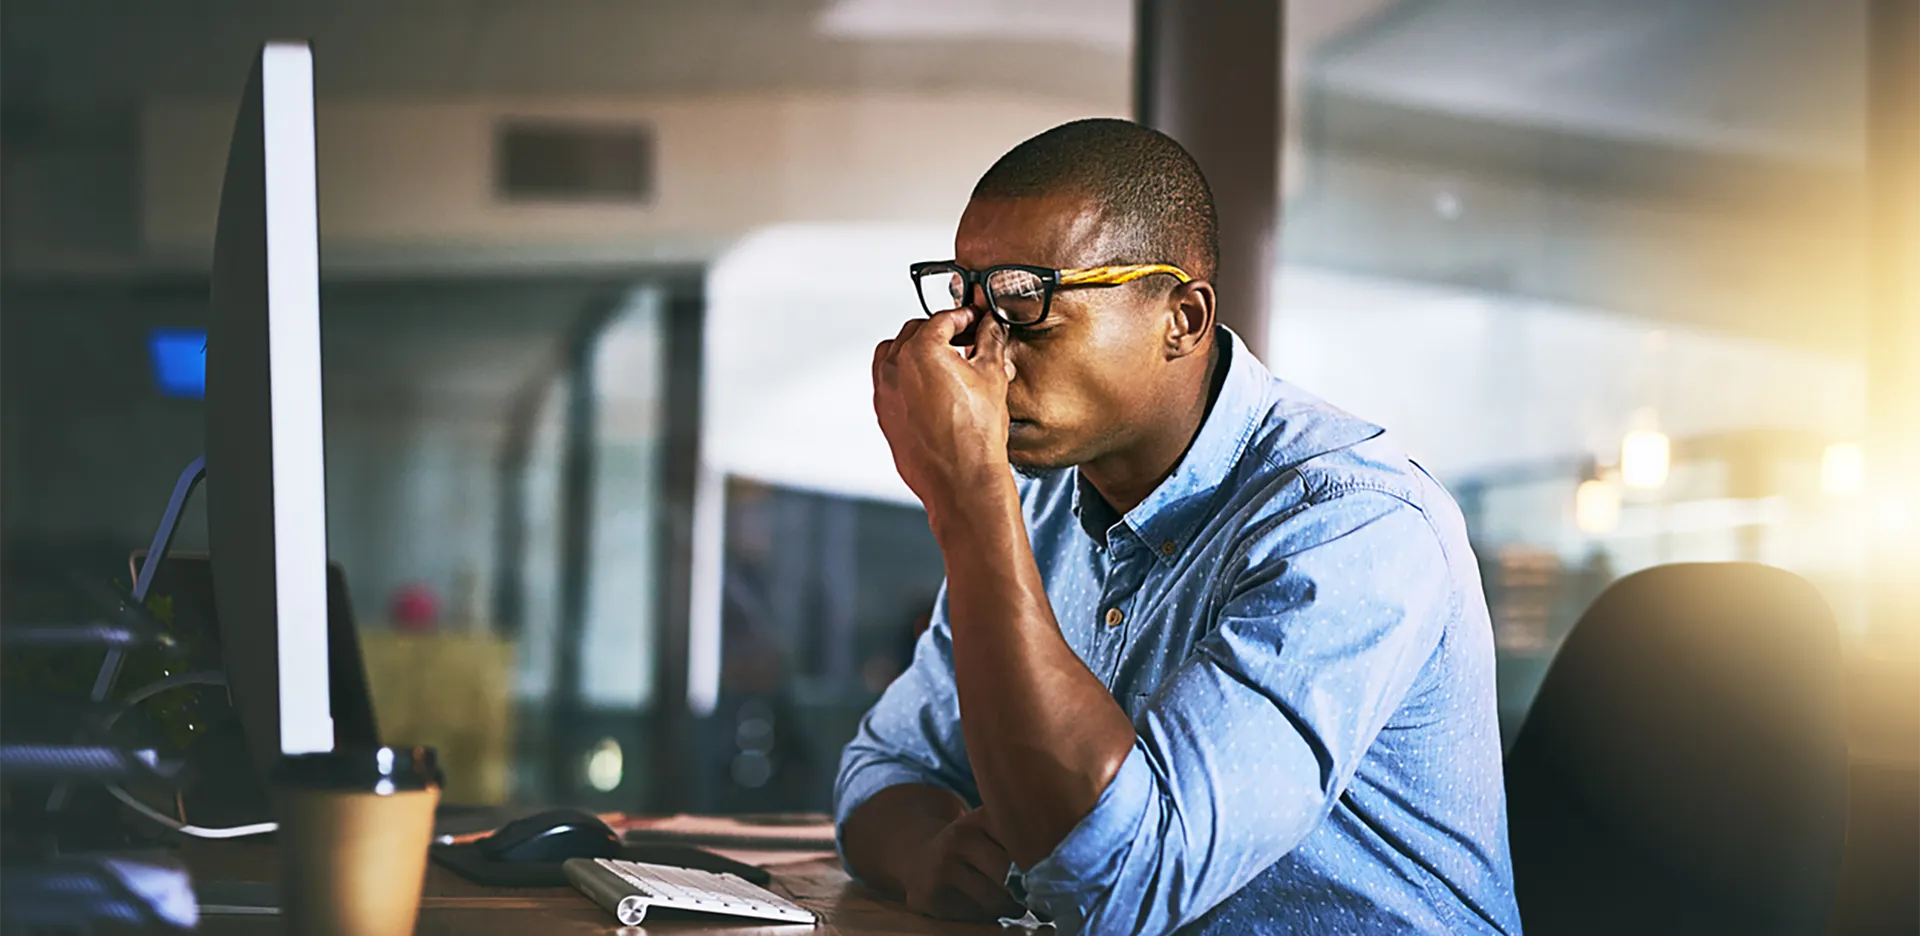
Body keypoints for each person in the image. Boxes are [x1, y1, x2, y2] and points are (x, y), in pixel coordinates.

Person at [835, 118, 1520, 934]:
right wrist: (929, 853)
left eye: (1029, 309)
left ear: (1183, 318)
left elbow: (1124, 878)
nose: (983, 359)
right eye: (969, 306)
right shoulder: (1049, 503)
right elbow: (882, 768)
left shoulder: (1352, 525)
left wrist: (968, 497)